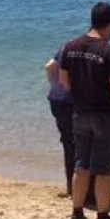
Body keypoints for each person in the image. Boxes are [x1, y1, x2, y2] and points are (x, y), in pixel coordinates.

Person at [58, 2, 110, 219]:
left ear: (92, 20)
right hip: (106, 117)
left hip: (80, 113)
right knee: (103, 168)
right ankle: (102, 217)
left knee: (81, 165)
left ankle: (77, 212)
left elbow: (64, 82)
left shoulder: (69, 47)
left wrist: (82, 95)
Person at [44, 55, 75, 196]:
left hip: (55, 100)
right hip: (71, 102)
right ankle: (79, 188)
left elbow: (49, 66)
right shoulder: (89, 49)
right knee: (81, 144)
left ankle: (71, 187)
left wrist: (55, 85)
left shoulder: (65, 48)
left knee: (68, 144)